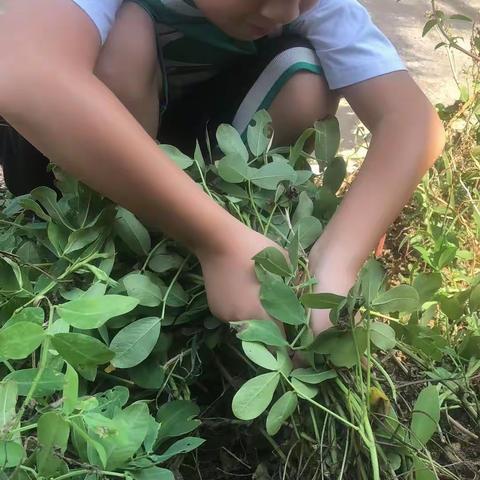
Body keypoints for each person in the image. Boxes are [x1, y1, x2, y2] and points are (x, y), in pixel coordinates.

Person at [0, 0, 445, 335]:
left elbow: (412, 124)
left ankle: (210, 219)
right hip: (61, 163)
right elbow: (25, 73)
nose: (283, 10)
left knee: (307, 79)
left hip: (196, 149)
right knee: (126, 36)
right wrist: (218, 242)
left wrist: (337, 261)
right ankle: (120, 235)